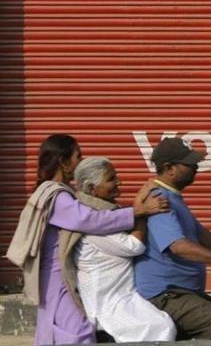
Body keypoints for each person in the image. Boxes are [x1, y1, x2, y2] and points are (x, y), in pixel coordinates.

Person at [6, 134, 169, 345]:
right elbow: (89, 220)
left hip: (63, 273)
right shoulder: (57, 196)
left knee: (64, 326)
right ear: (63, 162)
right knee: (76, 330)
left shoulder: (62, 193)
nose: (80, 161)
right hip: (56, 276)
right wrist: (137, 211)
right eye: (77, 156)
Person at [134, 137, 211, 340]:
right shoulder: (158, 199)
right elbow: (178, 246)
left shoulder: (173, 197)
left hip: (182, 293)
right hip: (165, 296)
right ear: (169, 168)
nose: (196, 167)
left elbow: (202, 235)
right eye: (189, 163)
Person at [73, 157, 176, 342]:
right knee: (160, 327)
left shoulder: (106, 213)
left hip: (123, 296)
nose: (119, 182)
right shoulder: (91, 220)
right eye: (111, 179)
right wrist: (142, 210)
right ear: (91, 188)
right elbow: (134, 246)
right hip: (107, 304)